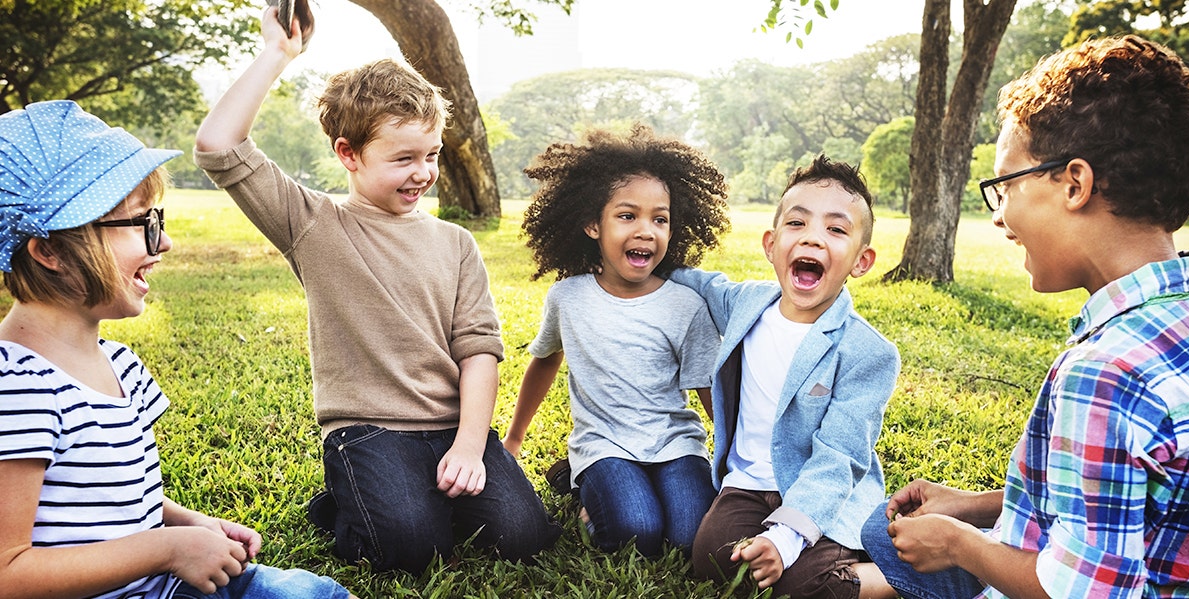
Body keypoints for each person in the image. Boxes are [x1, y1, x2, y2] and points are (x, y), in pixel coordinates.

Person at [193, 7, 560, 574]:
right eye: (403, 158)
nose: (423, 172)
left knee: (523, 536)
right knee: (410, 550)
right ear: (348, 154)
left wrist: (468, 446)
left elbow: (479, 352)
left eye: (432, 154)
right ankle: (349, 500)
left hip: (452, 426)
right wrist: (277, 55)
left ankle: (415, 495)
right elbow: (218, 146)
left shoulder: (457, 243)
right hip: (368, 431)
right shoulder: (312, 224)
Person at [859, 35, 1189, 599]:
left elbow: (1083, 591)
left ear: (1074, 183)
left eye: (1005, 185)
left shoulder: (1107, 373)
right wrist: (983, 504)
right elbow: (1139, 495)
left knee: (903, 535)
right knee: (883, 525)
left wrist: (958, 542)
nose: (999, 217)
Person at [0, 100, 354, 599]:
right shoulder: (17, 391)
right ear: (50, 251)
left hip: (165, 584)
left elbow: (115, 500)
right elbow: (8, 572)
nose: (164, 243)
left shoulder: (120, 364)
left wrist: (191, 524)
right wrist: (166, 550)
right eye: (142, 224)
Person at [670, 155, 900, 598]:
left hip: (826, 493)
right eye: (797, 224)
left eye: (836, 229)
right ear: (771, 244)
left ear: (861, 260)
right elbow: (700, 283)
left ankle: (890, 577)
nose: (813, 237)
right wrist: (643, 261)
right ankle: (794, 554)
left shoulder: (869, 353)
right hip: (749, 486)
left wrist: (785, 536)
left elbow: (840, 456)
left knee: (802, 584)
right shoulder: (747, 304)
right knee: (714, 557)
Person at [501, 125, 728, 556]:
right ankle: (587, 494)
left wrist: (738, 459)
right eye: (628, 216)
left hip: (675, 443)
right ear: (592, 224)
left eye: (659, 219)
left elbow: (706, 387)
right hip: (604, 443)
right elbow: (545, 360)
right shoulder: (568, 297)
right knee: (635, 532)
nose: (646, 230)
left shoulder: (685, 305)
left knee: (687, 538)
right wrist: (514, 439)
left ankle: (598, 487)